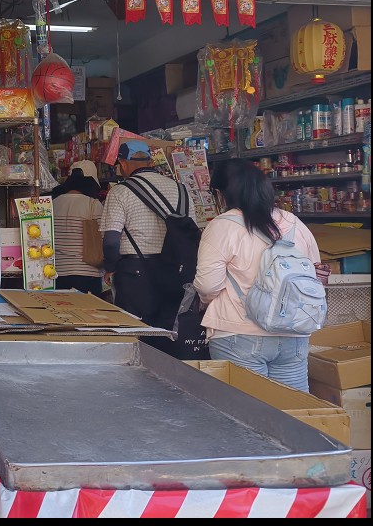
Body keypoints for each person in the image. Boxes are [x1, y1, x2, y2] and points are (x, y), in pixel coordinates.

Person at [192, 159, 326, 392]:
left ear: (223, 193)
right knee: (294, 413)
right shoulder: (295, 223)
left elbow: (207, 285)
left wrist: (206, 303)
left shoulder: (223, 226)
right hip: (293, 332)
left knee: (243, 417)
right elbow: (315, 275)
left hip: (238, 333)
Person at [100, 140, 186, 333]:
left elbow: (112, 241)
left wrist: (111, 268)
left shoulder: (120, 192)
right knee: (167, 333)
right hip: (173, 271)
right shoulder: (180, 189)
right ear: (149, 161)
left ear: (123, 163)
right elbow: (191, 231)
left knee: (137, 332)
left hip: (135, 274)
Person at [51, 160, 107, 299]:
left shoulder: (54, 203)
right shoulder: (93, 204)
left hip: (58, 273)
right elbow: (104, 238)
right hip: (87, 274)